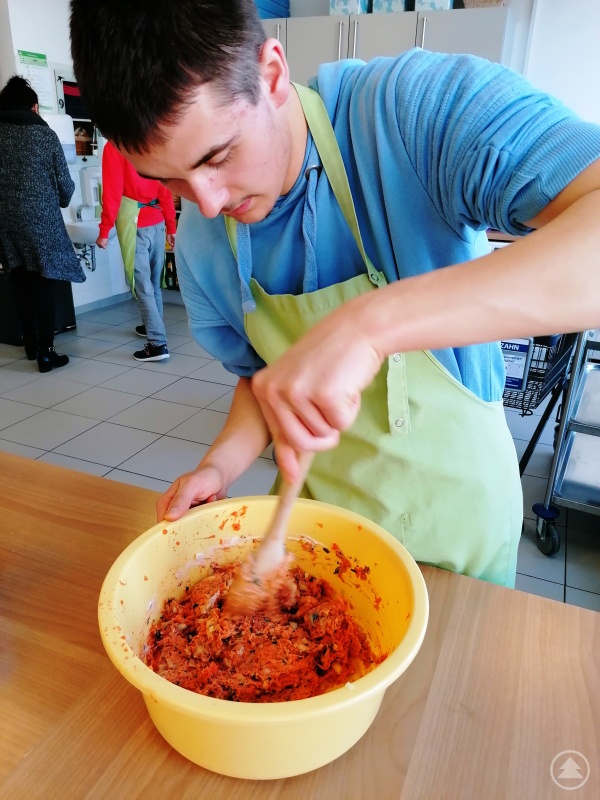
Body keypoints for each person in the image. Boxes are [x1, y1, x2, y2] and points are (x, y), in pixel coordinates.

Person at [70, 0, 600, 588]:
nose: (210, 202)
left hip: (455, 537)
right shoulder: (202, 242)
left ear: (271, 73)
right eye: (170, 180)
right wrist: (220, 465)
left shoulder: (409, 112)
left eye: (218, 156)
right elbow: (260, 376)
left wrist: (370, 326)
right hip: (316, 535)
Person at [0, 75, 85, 372]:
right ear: (33, 106)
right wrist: (60, 200)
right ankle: (47, 352)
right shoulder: (44, 134)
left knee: (20, 281)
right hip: (42, 221)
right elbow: (64, 185)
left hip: (6, 223)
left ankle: (31, 346)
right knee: (43, 283)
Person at [96, 139, 176, 361]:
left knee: (143, 287)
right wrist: (171, 225)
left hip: (135, 225)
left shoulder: (115, 147)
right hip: (157, 222)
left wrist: (104, 230)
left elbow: (112, 193)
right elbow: (165, 187)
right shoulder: (149, 140)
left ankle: (157, 344)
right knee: (154, 283)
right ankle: (152, 325)